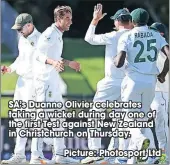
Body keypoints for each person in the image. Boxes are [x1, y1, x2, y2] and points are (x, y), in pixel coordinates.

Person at [114, 8, 169, 164]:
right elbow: (169, 54)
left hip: (133, 81)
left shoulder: (127, 35)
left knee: (129, 119)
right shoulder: (156, 35)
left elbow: (119, 63)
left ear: (132, 21)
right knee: (142, 120)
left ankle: (139, 139)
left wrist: (115, 60)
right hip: (150, 82)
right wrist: (163, 73)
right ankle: (133, 160)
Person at [81, 4, 133, 164]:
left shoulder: (112, 36)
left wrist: (95, 20)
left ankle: (95, 152)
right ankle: (116, 155)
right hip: (128, 83)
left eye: (115, 21)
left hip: (111, 82)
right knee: (120, 120)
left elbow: (88, 38)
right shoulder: (135, 35)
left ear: (118, 21)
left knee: (94, 116)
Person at [30, 5, 81, 164]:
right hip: (44, 82)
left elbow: (54, 57)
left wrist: (68, 62)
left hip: (53, 82)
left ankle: (60, 155)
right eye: (67, 18)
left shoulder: (58, 34)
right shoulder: (50, 34)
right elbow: (38, 55)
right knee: (42, 118)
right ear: (58, 19)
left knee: (59, 117)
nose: (70, 22)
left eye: (70, 18)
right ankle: (36, 156)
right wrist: (53, 62)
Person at [1, 13, 52, 164]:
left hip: (35, 83)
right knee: (20, 118)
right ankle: (19, 155)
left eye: (20, 28)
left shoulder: (41, 39)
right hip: (22, 83)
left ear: (29, 25)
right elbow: (20, 58)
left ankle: (37, 155)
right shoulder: (22, 39)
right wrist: (10, 69)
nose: (18, 31)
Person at [149, 22, 169, 164]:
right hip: (152, 91)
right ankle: (157, 155)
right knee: (156, 125)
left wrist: (163, 73)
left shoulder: (163, 45)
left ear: (160, 34)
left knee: (161, 125)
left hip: (162, 92)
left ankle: (165, 158)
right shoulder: (153, 46)